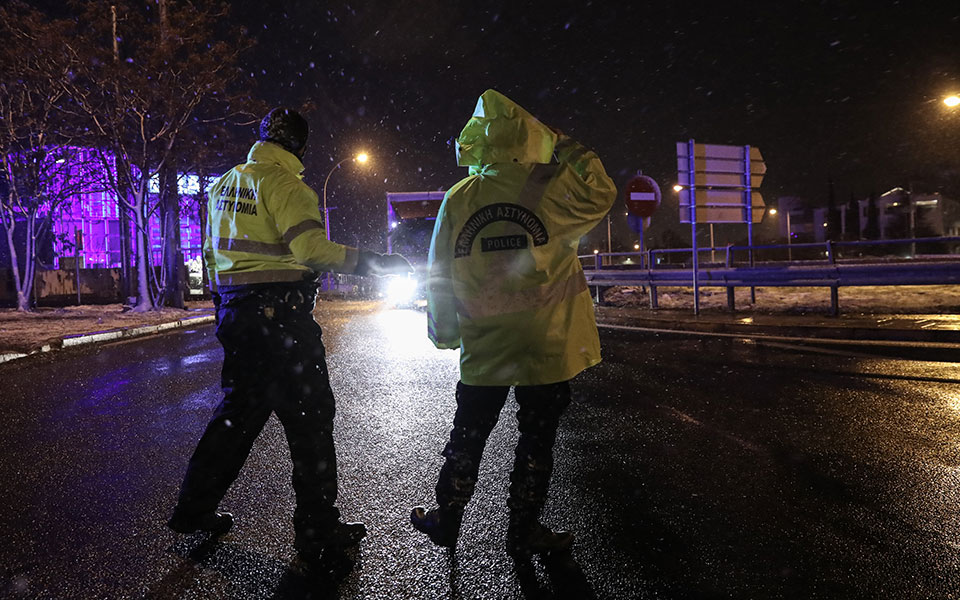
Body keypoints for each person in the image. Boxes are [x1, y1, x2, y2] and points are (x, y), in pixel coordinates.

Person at [168, 107, 411, 566]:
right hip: (282, 322)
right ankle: (318, 530)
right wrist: (378, 262)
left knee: (234, 420)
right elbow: (312, 251)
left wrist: (226, 313)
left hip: (237, 316)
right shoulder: (287, 186)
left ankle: (192, 509)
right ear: (299, 147)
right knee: (311, 421)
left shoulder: (224, 185)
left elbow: (210, 254)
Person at [411, 90, 617, 558]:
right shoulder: (554, 185)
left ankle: (448, 518)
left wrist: (445, 332)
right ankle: (523, 533)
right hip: (548, 342)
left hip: (486, 345)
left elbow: (439, 272)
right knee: (536, 441)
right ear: (532, 137)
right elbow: (603, 192)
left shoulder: (460, 198)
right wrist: (568, 145)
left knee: (469, 432)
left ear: (479, 141)